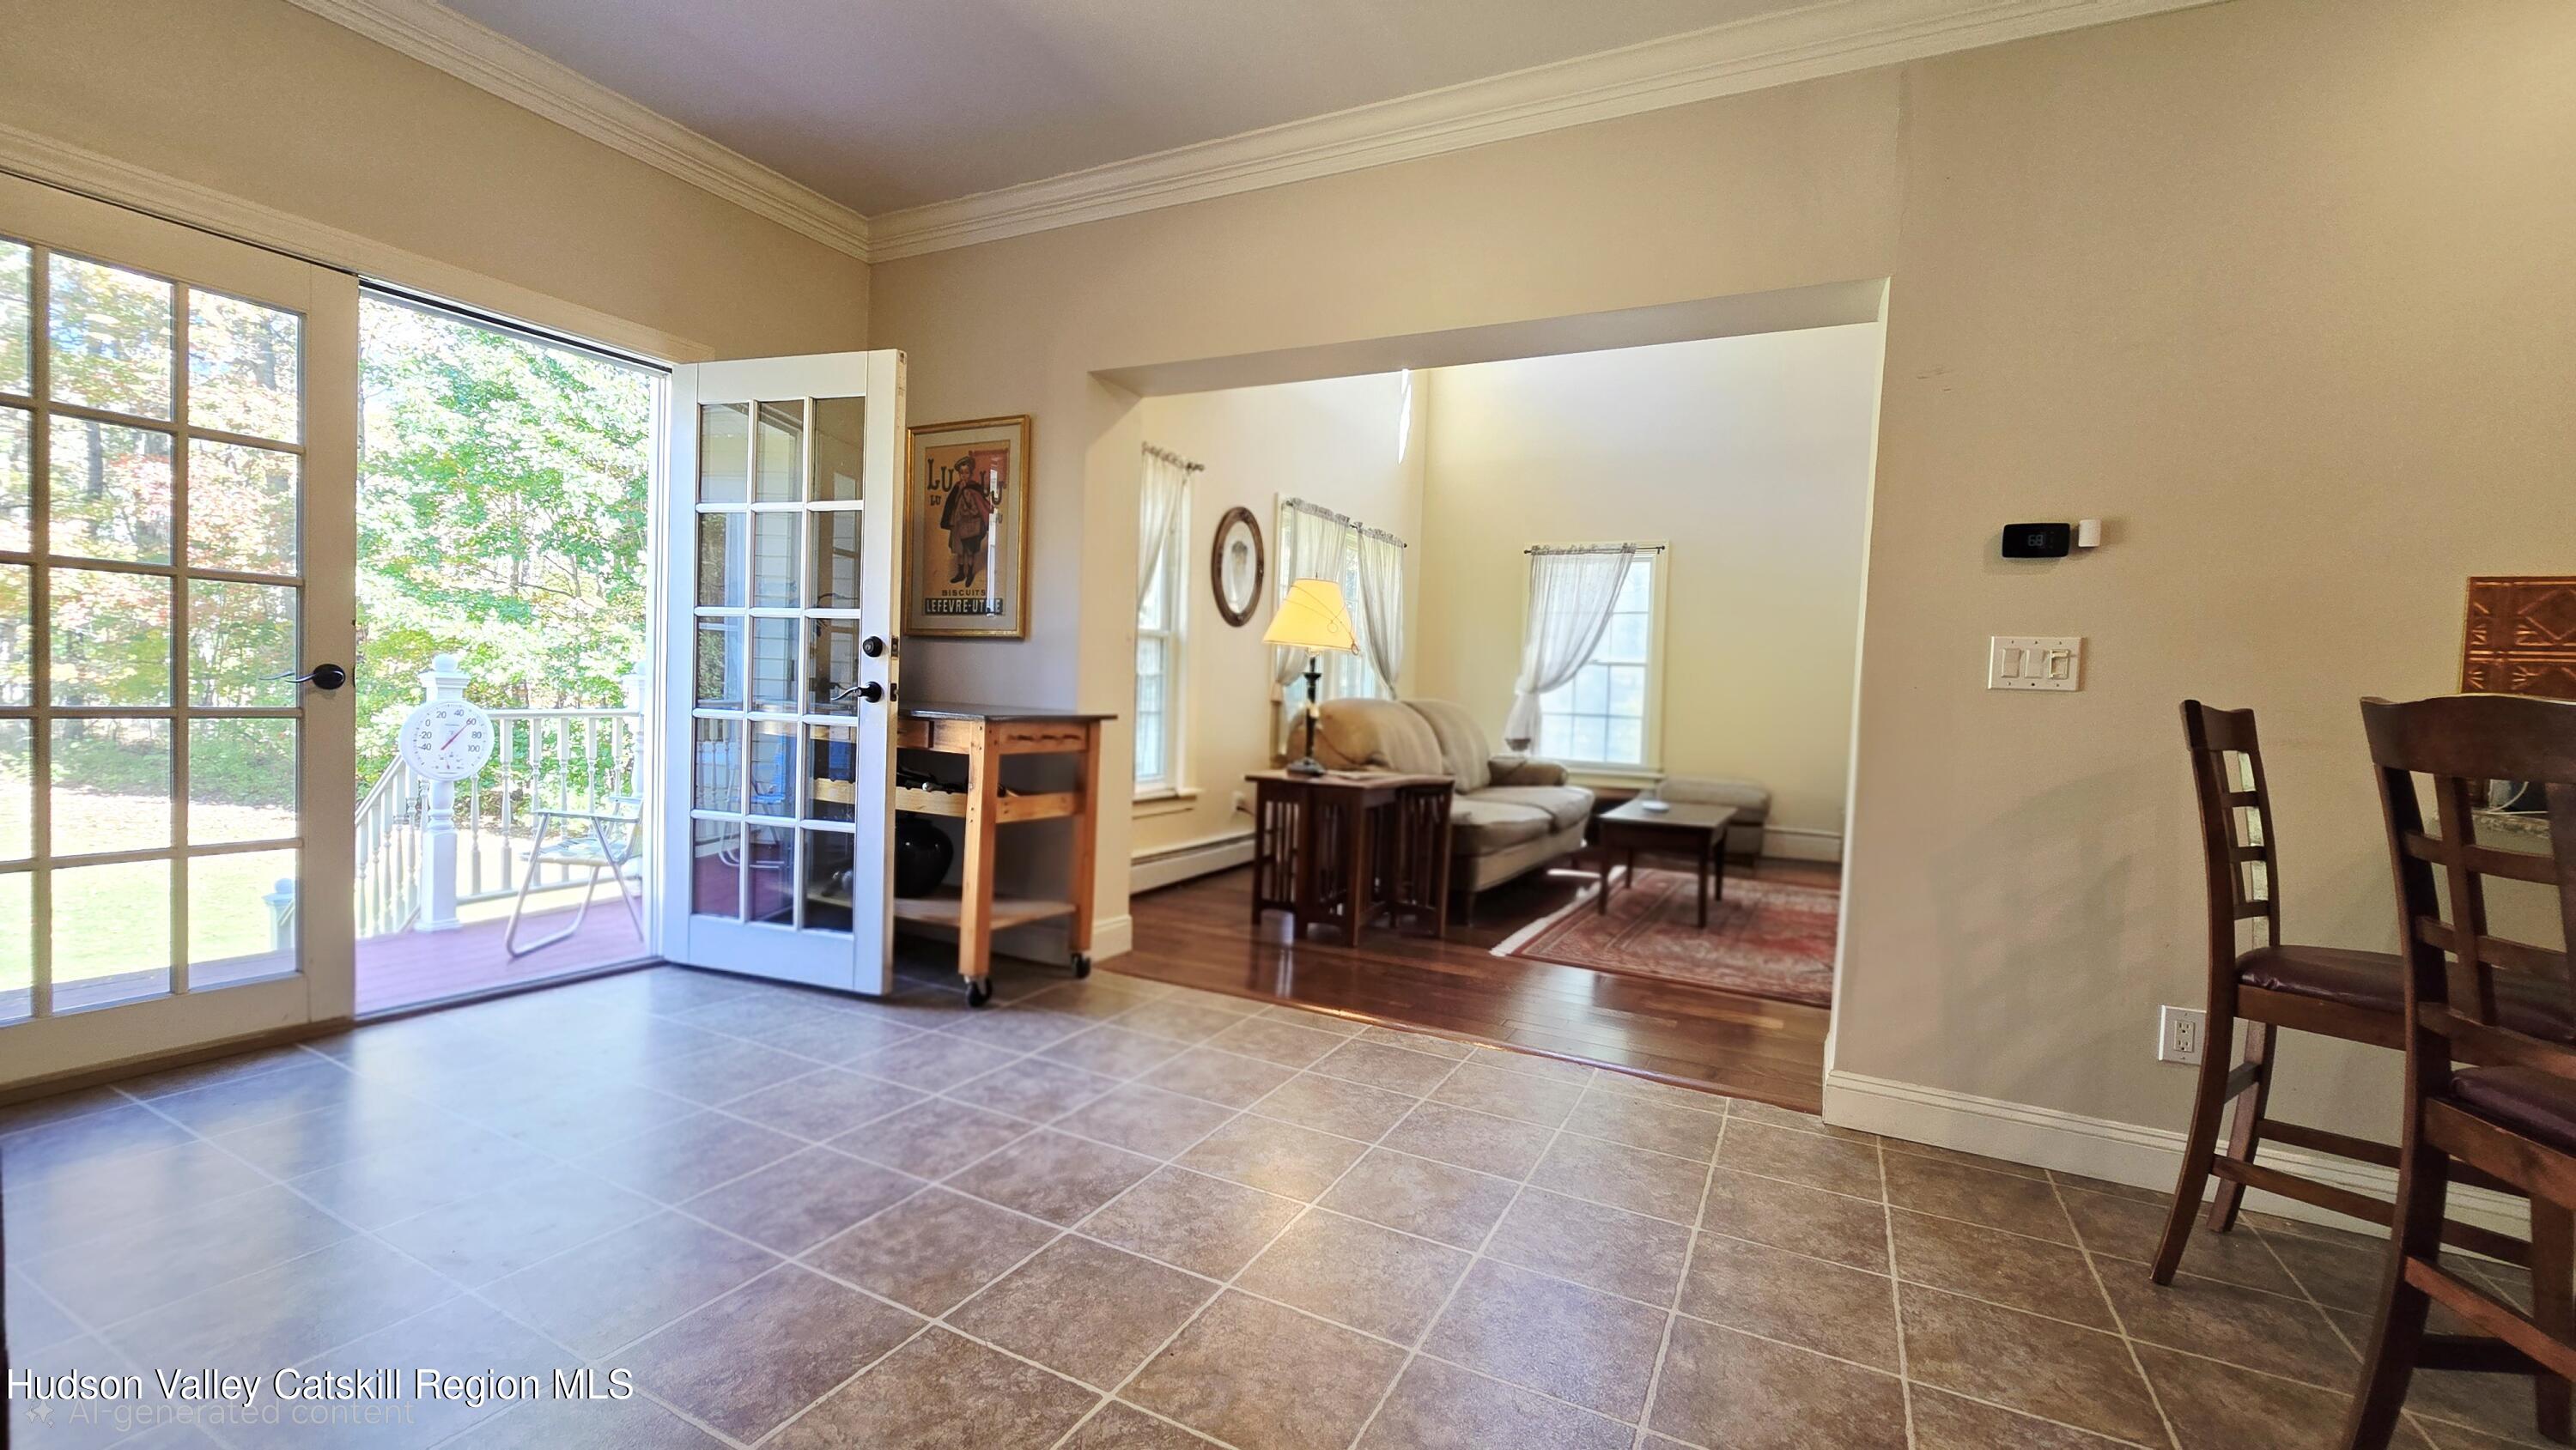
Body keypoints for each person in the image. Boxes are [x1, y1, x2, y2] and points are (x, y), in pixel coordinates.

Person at [939, 457, 996, 587]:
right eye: (962, 473)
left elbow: (980, 504)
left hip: (971, 525)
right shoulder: (957, 487)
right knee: (960, 551)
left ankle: (969, 574)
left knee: (970, 551)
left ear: (970, 474)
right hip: (958, 525)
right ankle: (961, 573)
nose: (964, 475)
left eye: (966, 472)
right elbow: (951, 505)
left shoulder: (975, 487)